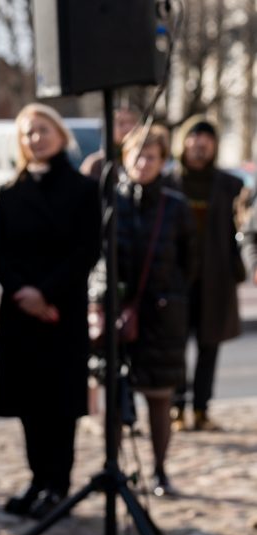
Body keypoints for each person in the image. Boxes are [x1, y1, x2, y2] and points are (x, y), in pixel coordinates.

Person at [0, 103, 101, 519]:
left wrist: (45, 293)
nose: (34, 138)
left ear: (59, 134)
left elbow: (87, 249)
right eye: (27, 132)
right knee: (29, 401)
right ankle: (37, 478)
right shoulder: (10, 191)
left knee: (60, 402)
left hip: (61, 310)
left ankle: (58, 484)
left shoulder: (83, 189)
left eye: (42, 130)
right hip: (20, 311)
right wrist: (24, 293)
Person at [116, 124, 197, 496]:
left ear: (163, 161)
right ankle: (116, 469)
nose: (142, 163)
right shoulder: (112, 201)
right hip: (118, 314)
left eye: (150, 156)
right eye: (136, 155)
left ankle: (160, 470)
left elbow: (190, 262)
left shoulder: (175, 206)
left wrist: (170, 295)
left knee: (159, 396)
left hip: (161, 317)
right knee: (116, 394)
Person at [169, 116, 244, 431]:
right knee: (174, 345)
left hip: (216, 278)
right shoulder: (168, 183)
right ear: (184, 142)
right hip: (175, 278)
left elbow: (241, 231)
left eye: (207, 139)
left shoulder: (230, 186)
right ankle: (176, 408)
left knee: (209, 345)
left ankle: (201, 409)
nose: (200, 144)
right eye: (195, 137)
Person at [79, 104, 140, 180]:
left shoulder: (143, 160)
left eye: (132, 122)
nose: (128, 128)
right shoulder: (97, 164)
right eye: (121, 123)